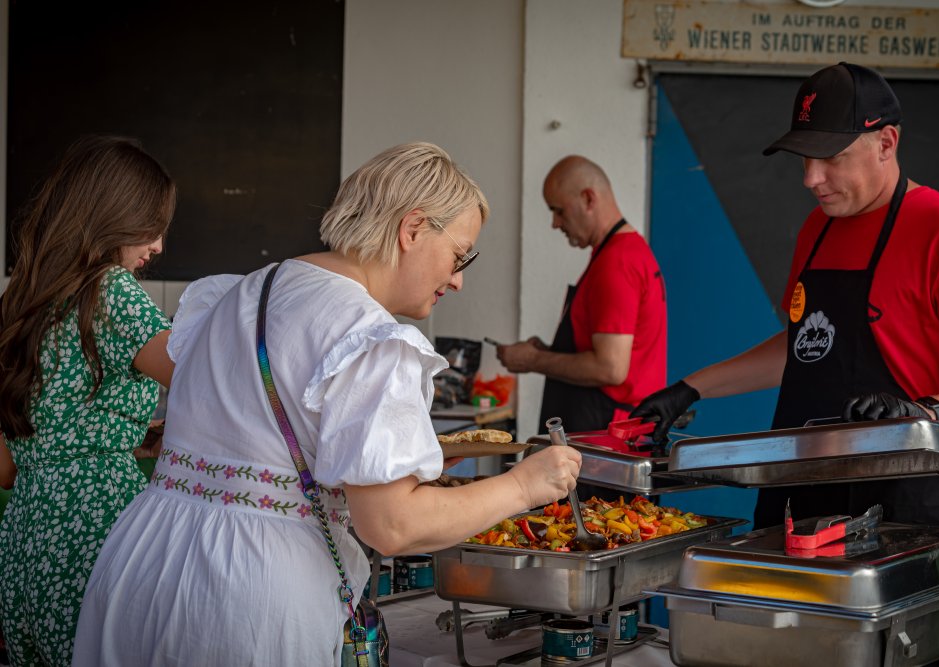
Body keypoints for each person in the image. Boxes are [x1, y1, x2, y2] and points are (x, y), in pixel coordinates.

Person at [72, 142, 582, 666]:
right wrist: (523, 486)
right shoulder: (372, 339)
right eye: (460, 255)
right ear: (412, 229)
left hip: (144, 561)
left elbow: (256, 442)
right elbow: (392, 525)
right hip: (247, 595)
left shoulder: (245, 292)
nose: (458, 279)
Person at [632, 62, 939, 531]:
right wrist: (691, 387)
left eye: (832, 157)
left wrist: (923, 414)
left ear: (886, 143)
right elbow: (807, 345)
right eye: (804, 158)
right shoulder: (817, 229)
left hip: (903, 513)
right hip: (798, 496)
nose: (810, 178)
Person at [0, 135, 176, 667]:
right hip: (97, 527)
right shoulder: (111, 289)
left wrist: (124, 437)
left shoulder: (21, 301)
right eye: (150, 225)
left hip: (26, 538)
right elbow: (207, 381)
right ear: (112, 215)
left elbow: (8, 467)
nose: (158, 245)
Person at [497, 156, 667, 435]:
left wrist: (532, 360)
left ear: (588, 199)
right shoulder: (628, 251)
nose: (555, 223)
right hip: (610, 427)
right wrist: (550, 353)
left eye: (559, 211)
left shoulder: (617, 262)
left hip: (607, 435)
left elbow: (609, 368)